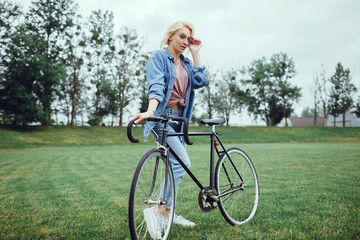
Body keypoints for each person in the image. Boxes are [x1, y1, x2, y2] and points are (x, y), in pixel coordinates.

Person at [133, 20, 209, 237]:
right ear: (170, 37)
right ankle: (160, 209)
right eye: (182, 37)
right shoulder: (158, 58)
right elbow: (156, 87)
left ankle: (166, 211)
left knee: (174, 165)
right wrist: (150, 111)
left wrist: (195, 52)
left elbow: (202, 80)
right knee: (182, 162)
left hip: (180, 119)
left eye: (189, 38)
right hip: (162, 117)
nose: (186, 41)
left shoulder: (185, 63)